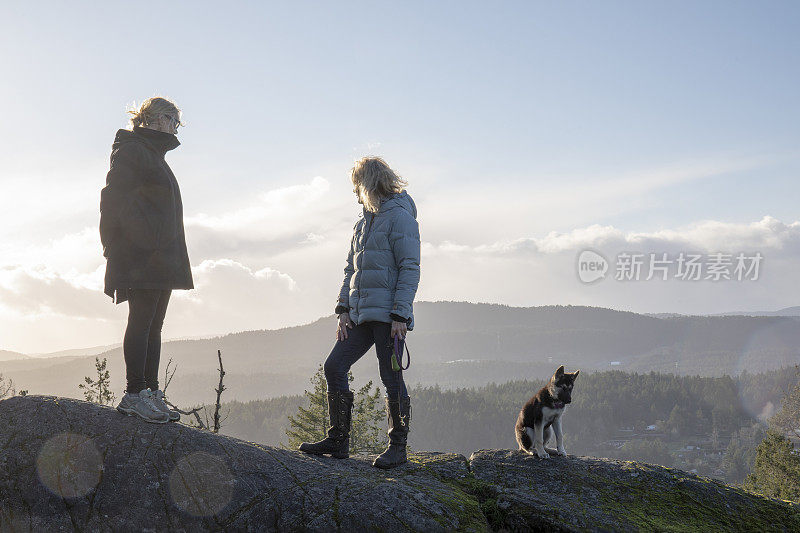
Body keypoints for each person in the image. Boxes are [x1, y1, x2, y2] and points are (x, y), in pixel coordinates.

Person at [300, 157, 421, 469]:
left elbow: (410, 268)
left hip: (388, 316)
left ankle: (398, 446)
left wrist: (400, 315)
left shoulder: (400, 218)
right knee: (334, 367)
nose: (354, 194)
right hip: (360, 314)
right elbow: (350, 269)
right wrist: (343, 309)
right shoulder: (362, 222)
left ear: (368, 184)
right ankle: (338, 440)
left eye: (356, 187)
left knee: (390, 377)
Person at [99, 97, 193, 423]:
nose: (175, 128)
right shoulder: (132, 150)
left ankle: (150, 392)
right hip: (141, 256)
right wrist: (115, 244)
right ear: (155, 118)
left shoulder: (152, 154)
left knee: (154, 325)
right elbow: (112, 198)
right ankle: (134, 393)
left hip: (160, 256)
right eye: (173, 120)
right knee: (141, 322)